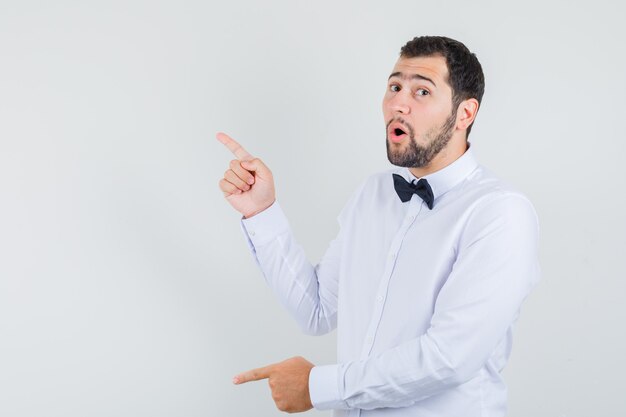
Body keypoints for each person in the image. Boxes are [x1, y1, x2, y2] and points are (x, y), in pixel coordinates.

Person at [217, 35, 540, 417]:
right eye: (395, 86)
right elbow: (316, 310)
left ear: (464, 114)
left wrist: (316, 386)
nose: (398, 103)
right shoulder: (373, 195)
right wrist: (261, 212)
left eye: (422, 91)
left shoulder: (499, 212)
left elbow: (450, 357)